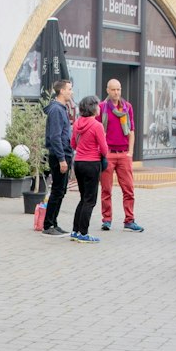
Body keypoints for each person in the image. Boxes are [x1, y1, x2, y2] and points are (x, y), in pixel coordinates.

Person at [96, 78, 141, 231]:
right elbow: (97, 130)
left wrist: (130, 152)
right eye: (113, 89)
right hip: (108, 153)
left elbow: (132, 130)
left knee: (128, 189)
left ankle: (129, 220)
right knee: (106, 189)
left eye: (118, 89)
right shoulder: (101, 107)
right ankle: (106, 220)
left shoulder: (127, 107)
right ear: (107, 90)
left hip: (123, 154)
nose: (116, 92)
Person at [68, 95, 106, 242]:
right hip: (92, 164)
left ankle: (75, 231)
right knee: (90, 200)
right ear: (92, 108)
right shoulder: (97, 126)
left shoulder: (77, 124)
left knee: (83, 198)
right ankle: (83, 233)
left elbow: (73, 144)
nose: (99, 108)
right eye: (97, 105)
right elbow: (104, 148)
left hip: (78, 163)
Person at [41, 79, 73, 236]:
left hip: (64, 154)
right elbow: (55, 137)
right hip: (59, 156)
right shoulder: (56, 110)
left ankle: (54, 222)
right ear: (62, 91)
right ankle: (48, 225)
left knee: (61, 191)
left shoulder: (61, 108)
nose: (71, 92)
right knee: (57, 191)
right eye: (69, 89)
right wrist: (62, 159)